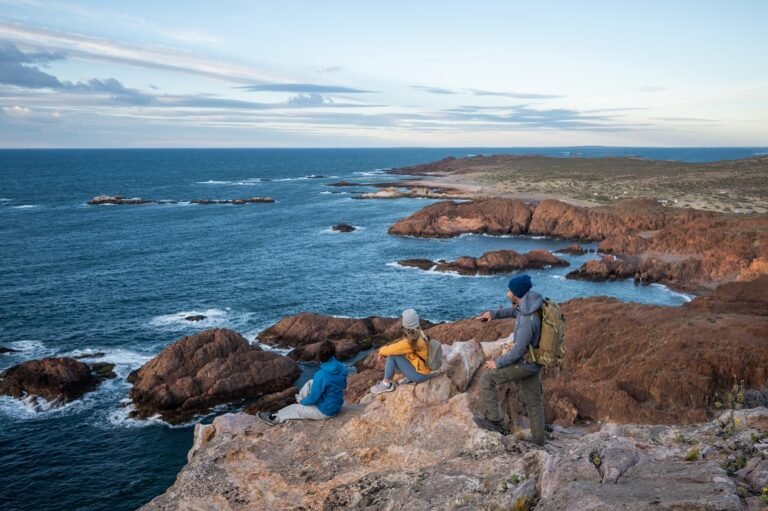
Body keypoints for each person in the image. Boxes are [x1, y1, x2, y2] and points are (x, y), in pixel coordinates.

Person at [473, 273, 546, 445]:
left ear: (517, 294)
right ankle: (539, 440)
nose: (507, 294)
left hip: (525, 364)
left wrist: (497, 363)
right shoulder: (531, 305)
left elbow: (518, 350)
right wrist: (493, 314)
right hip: (535, 361)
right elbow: (514, 311)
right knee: (535, 402)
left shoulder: (528, 319)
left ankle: (495, 422)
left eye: (510, 291)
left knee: (487, 378)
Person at [257, 340, 347, 426]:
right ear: (333, 353)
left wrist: (304, 402)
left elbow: (313, 399)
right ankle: (300, 400)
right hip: (337, 405)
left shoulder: (321, 375)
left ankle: (274, 419)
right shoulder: (342, 367)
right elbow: (343, 385)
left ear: (320, 356)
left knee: (294, 409)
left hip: (326, 411)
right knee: (311, 382)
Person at [369, 308, 431, 394]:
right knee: (400, 354)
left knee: (392, 356)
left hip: (421, 375)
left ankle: (386, 384)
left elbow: (392, 349)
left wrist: (381, 351)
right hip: (424, 370)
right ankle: (410, 377)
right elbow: (402, 348)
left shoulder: (411, 341)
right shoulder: (419, 332)